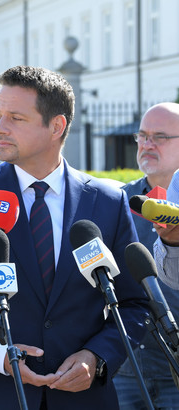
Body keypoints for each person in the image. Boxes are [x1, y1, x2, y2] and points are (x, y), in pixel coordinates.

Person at [0, 65, 149, 410]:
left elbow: (134, 304)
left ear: (56, 126)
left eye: (15, 118)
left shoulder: (107, 202)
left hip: (83, 399)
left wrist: (97, 357)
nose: (0, 129)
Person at [114, 102, 179, 409]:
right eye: (142, 136)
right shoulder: (115, 203)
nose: (147, 144)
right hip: (125, 368)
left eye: (160, 137)